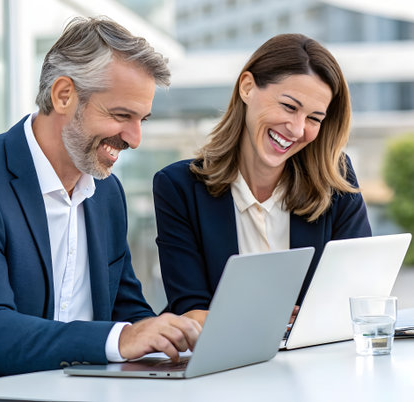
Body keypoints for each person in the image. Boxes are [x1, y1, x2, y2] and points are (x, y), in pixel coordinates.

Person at [0, 16, 201, 382]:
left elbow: (126, 309)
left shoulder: (106, 192)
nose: (135, 138)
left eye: (142, 119)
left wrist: (180, 334)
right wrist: (121, 339)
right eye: (122, 115)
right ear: (63, 95)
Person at [153, 33, 372, 327]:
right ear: (247, 88)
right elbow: (189, 311)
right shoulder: (178, 187)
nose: (296, 129)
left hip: (316, 366)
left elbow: (357, 297)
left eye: (314, 118)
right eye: (289, 107)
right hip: (224, 368)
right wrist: (264, 318)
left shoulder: (336, 180)